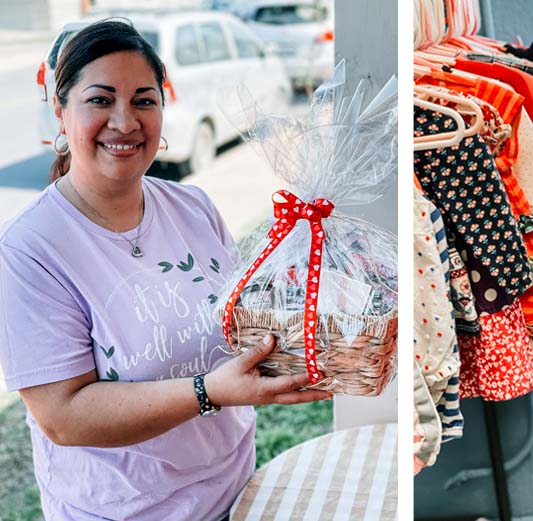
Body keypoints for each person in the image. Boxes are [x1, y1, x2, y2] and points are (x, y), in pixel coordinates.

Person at [0, 20, 330, 521]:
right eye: (100, 100)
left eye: (144, 100)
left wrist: (298, 300)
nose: (125, 121)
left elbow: (239, 322)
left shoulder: (192, 206)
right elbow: (64, 417)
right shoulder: (30, 250)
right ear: (61, 111)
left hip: (236, 491)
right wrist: (209, 392)